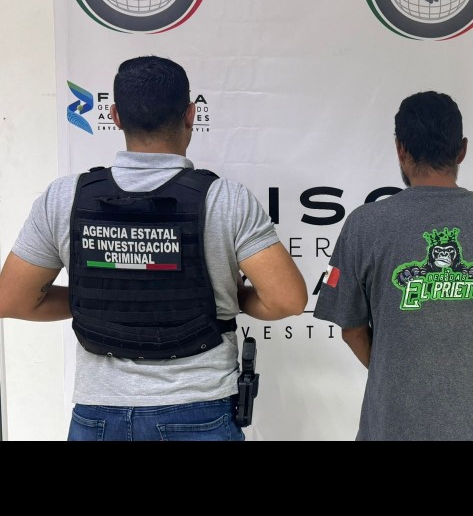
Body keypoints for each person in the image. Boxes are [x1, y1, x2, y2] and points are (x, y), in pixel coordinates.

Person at [0, 55, 308, 441]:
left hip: (99, 415)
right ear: (191, 114)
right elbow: (287, 300)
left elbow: (12, 299)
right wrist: (227, 298)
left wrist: (106, 298)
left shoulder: (64, 198)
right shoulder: (226, 199)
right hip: (198, 410)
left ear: (114, 115)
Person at [313, 90, 473, 441]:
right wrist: (463, 370)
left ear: (400, 149)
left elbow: (352, 330)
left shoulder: (364, 224)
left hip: (390, 428)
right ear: (462, 150)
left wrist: (397, 376)